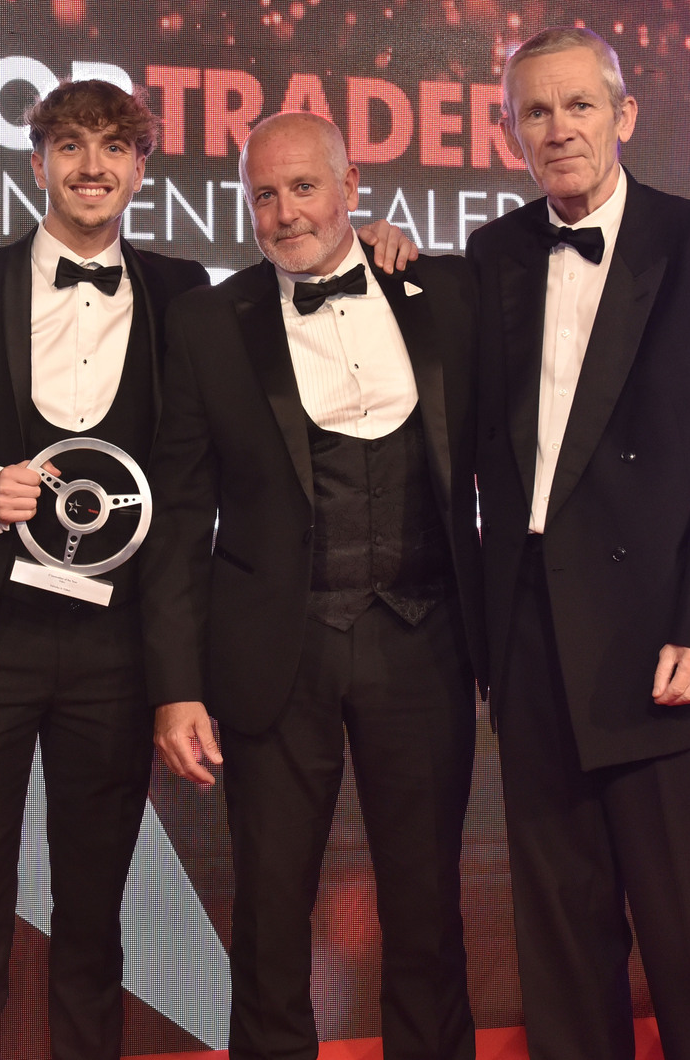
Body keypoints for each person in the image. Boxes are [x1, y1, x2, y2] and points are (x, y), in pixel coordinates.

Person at [465, 25, 690, 1060]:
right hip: (537, 649)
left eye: (578, 105)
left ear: (624, 115)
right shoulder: (492, 256)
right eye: (535, 111)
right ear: (510, 133)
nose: (558, 128)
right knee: (562, 955)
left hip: (673, 651)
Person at [0, 79, 209, 1060]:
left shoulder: (183, 291)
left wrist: (380, 246)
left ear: (141, 168)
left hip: (118, 645)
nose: (91, 166)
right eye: (70, 145)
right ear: (37, 163)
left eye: (112, 147)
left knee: (95, 912)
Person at [141, 111, 481, 1060]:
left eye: (303, 187)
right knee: (270, 905)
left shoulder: (443, 292)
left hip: (424, 638)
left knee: (426, 898)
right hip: (274, 651)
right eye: (264, 194)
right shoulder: (209, 322)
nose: (285, 212)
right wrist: (176, 683)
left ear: (351, 187)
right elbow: (178, 517)